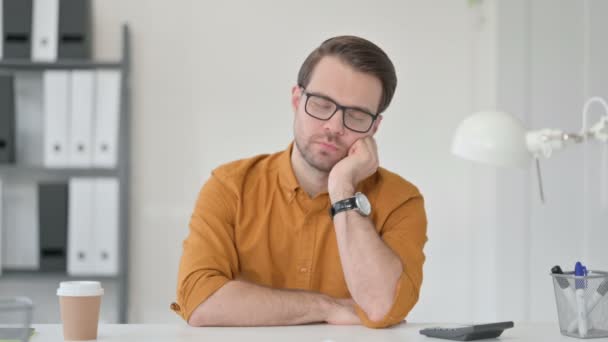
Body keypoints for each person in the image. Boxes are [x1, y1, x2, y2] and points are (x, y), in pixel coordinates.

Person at [170, 35, 427, 329]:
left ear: (374, 128)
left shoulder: (401, 201)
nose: (334, 127)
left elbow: (381, 307)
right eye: (321, 104)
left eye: (356, 115)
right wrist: (325, 307)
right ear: (296, 99)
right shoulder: (230, 187)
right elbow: (200, 302)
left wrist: (342, 188)